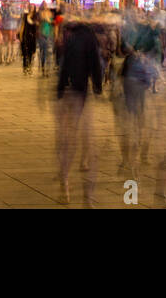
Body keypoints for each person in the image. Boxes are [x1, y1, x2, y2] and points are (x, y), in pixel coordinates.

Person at [56, 17, 104, 206]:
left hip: (68, 91)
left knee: (68, 139)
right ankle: (88, 196)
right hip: (80, 92)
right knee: (86, 140)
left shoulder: (70, 38)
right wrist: (98, 87)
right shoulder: (89, 37)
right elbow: (95, 64)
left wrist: (60, 89)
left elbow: (64, 64)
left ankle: (65, 183)